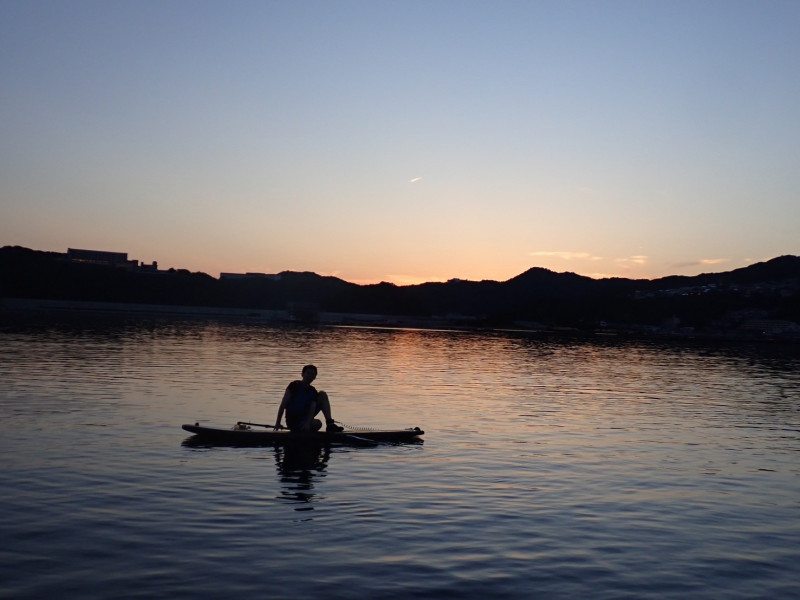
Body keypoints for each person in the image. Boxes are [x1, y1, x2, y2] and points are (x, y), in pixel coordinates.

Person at [274, 365, 344, 433]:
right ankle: (303, 428)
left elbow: (312, 407)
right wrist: (278, 422)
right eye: (308, 373)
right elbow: (283, 405)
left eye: (312, 374)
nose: (310, 376)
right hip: (293, 421)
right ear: (302, 374)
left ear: (314, 377)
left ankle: (330, 424)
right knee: (318, 424)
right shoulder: (294, 386)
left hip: (305, 418)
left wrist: (307, 423)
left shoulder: (313, 390)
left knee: (322, 395)